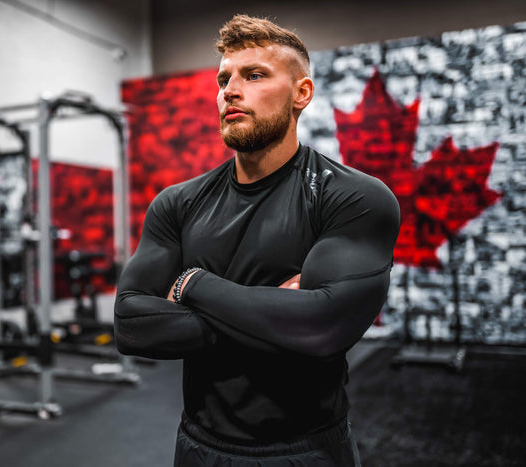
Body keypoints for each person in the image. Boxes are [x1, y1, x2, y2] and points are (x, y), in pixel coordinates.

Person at [114, 14, 400, 467]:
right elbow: (131, 324)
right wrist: (276, 315)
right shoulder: (177, 203)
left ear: (301, 94)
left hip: (306, 450)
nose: (230, 90)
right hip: (197, 446)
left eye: (254, 75)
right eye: (224, 78)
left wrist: (192, 285)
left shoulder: (351, 196)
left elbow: (322, 328)